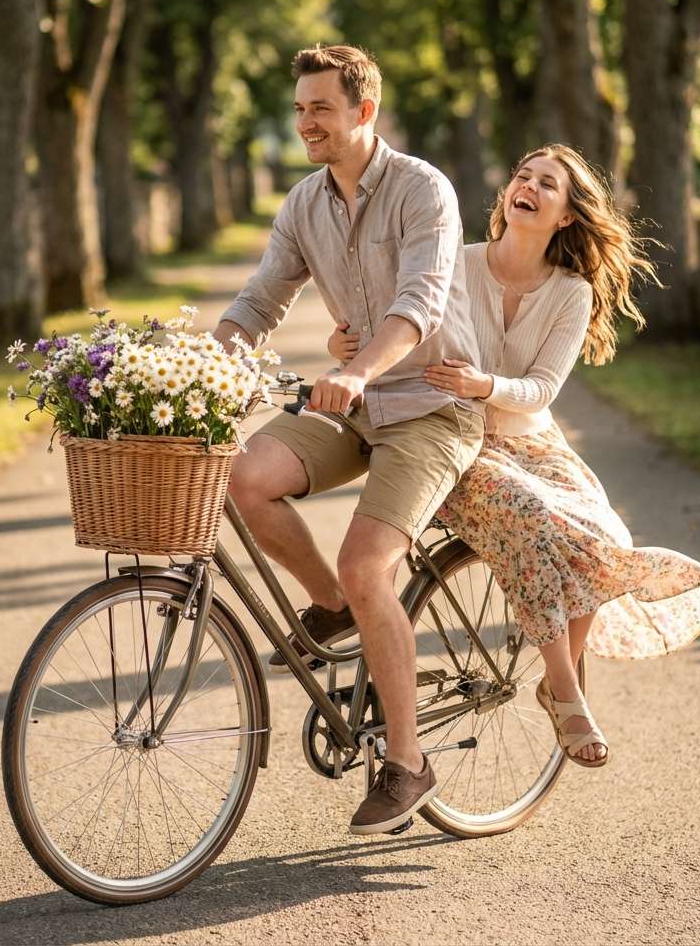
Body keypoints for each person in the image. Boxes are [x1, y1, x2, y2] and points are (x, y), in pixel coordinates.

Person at [329, 143, 700, 768]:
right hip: (452, 434)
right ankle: (565, 688)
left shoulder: (572, 293)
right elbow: (389, 321)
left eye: (547, 184)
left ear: (566, 215)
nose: (528, 186)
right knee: (532, 517)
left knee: (603, 531)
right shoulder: (454, 264)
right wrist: (342, 340)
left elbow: (541, 389)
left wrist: (484, 383)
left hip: (532, 437)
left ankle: (550, 681)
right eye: (523, 176)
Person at [213, 44, 485, 834]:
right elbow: (261, 297)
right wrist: (199, 372)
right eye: (299, 110)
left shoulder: (421, 189)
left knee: (370, 561)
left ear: (364, 112)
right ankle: (330, 607)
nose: (305, 124)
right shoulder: (305, 203)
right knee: (242, 474)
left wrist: (361, 372)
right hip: (355, 402)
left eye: (320, 110)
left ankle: (408, 763)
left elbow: (420, 303)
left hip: (431, 406)